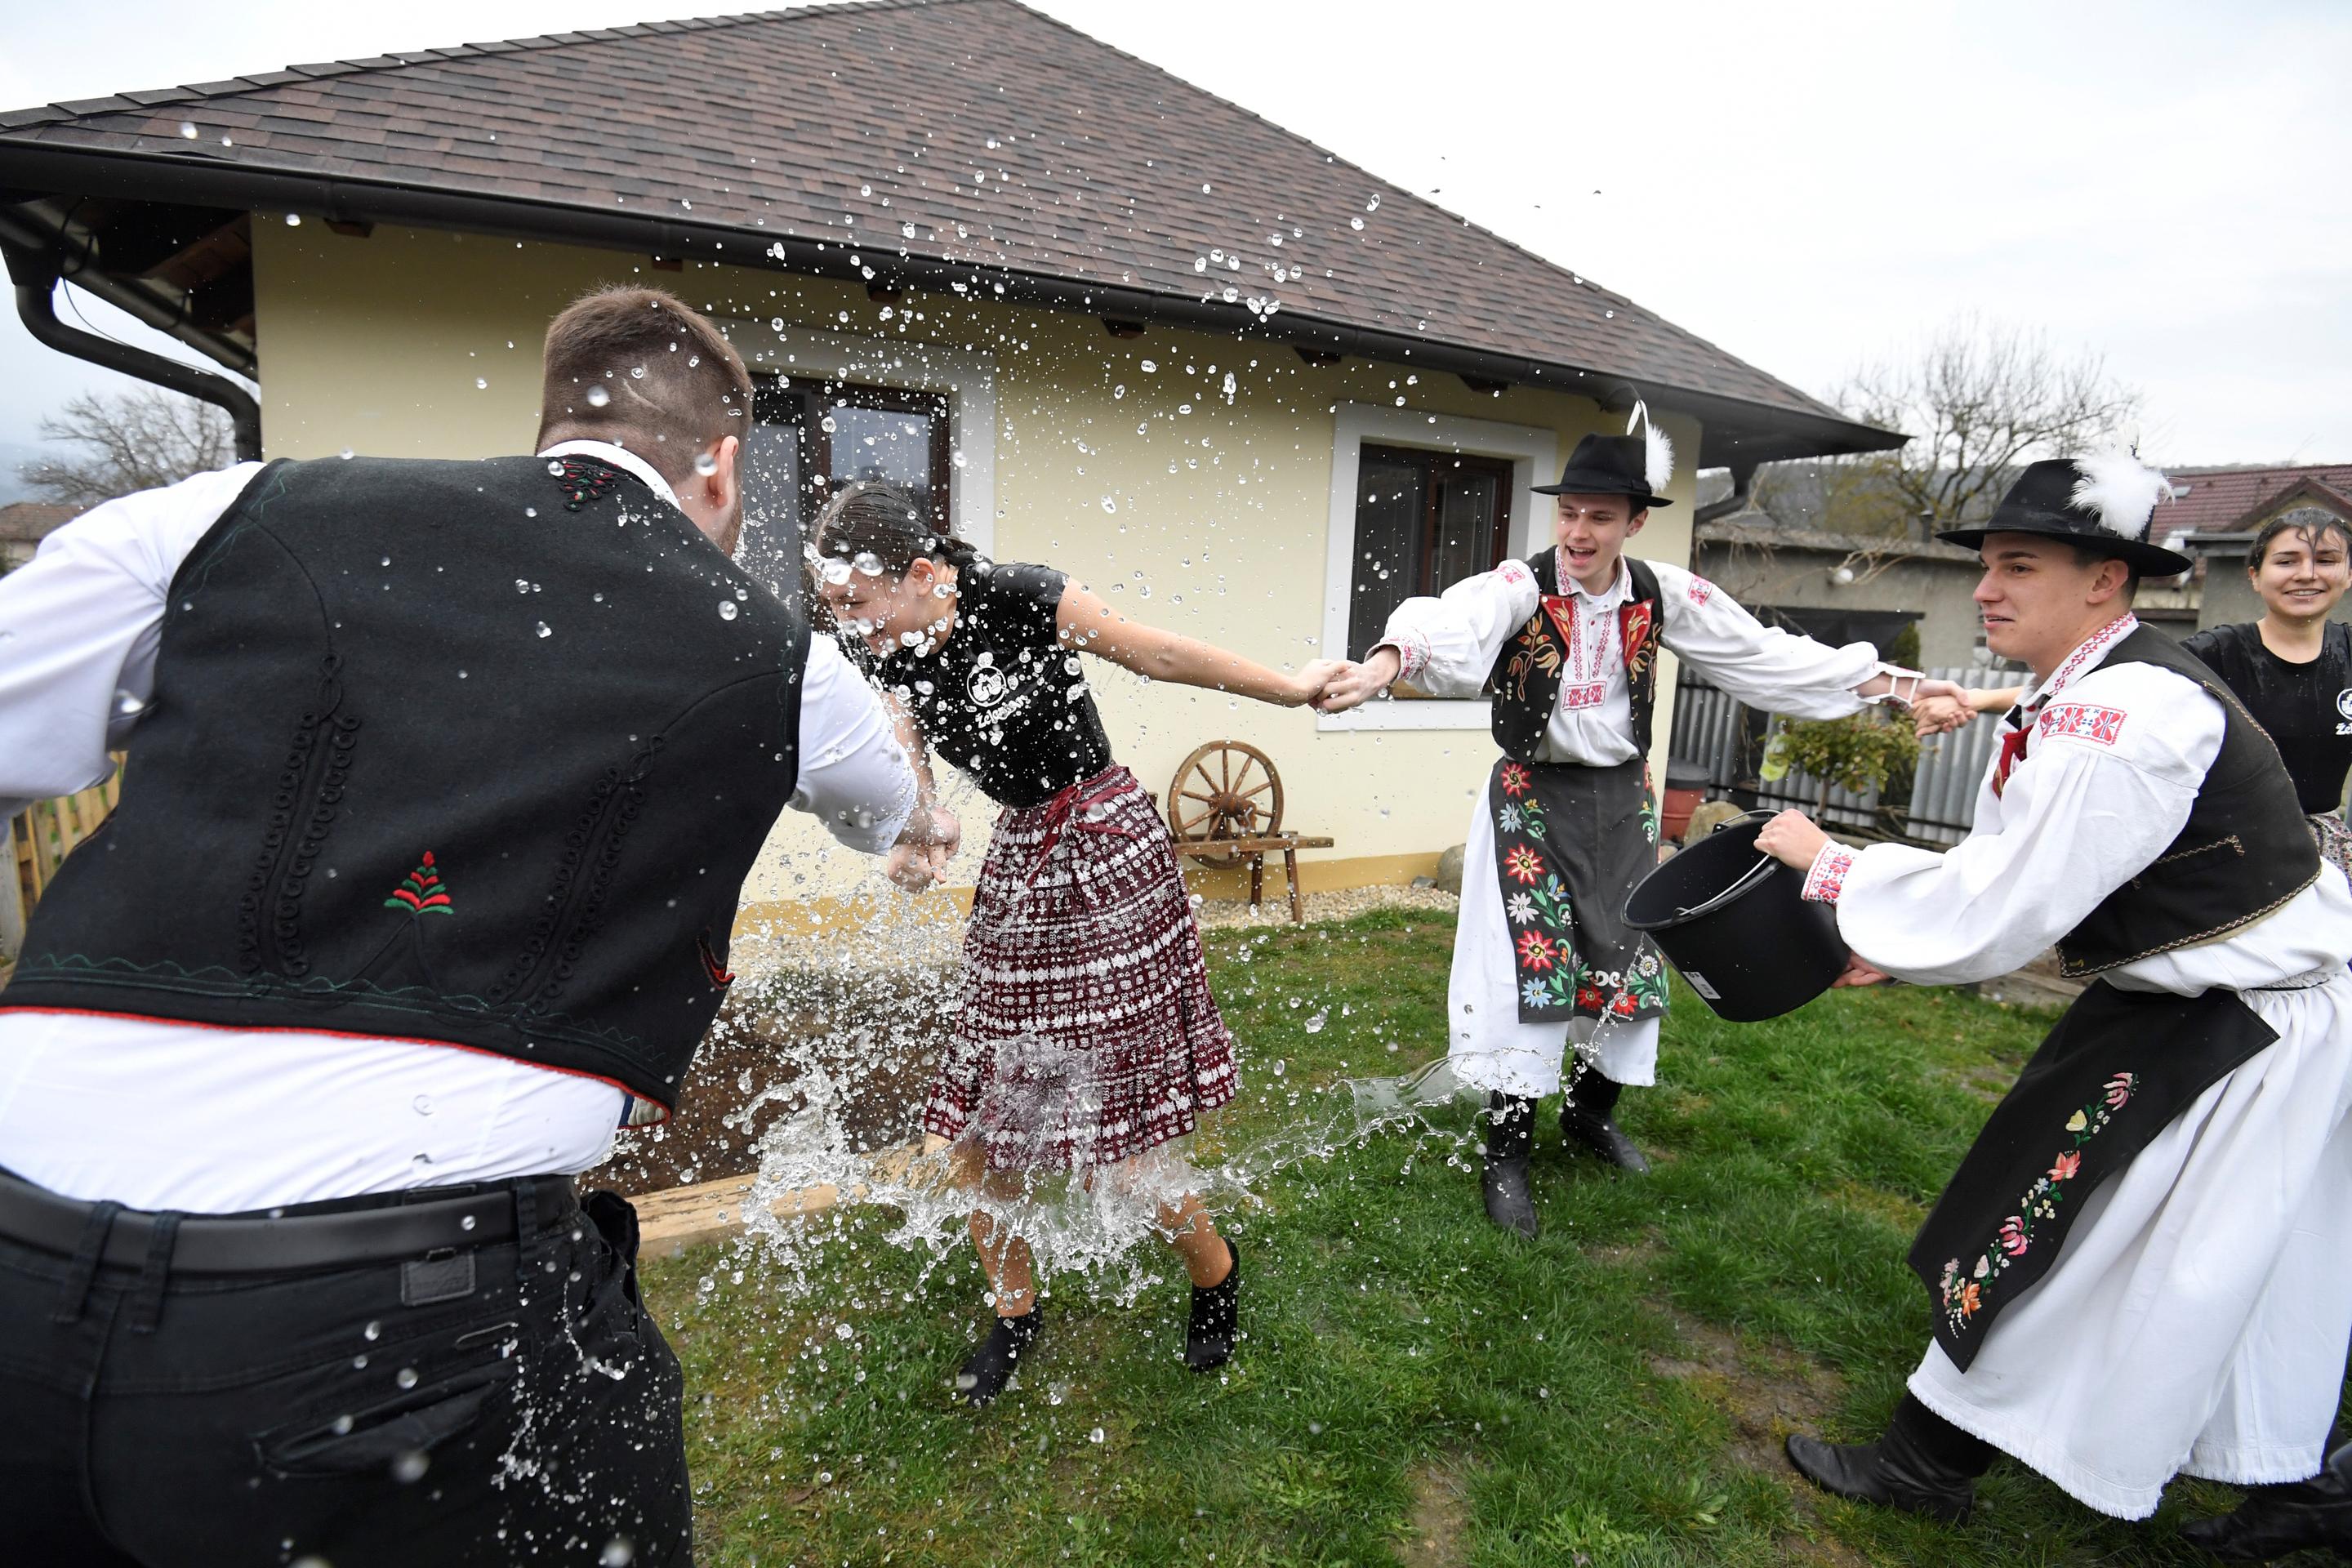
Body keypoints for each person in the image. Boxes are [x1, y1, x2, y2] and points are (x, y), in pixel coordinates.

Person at [0, 285, 951, 1566]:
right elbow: (895, 814)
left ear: (555, 422)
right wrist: (917, 814)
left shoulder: (240, 511)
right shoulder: (778, 654)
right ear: (722, 468)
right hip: (390, 1345)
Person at [1756, 455, 2352, 1538]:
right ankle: (2295, 1486)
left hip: (2244, 1030)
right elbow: (2028, 872)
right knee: (2196, 1259)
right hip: (2218, 1011)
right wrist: (1905, 938)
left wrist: (1832, 867)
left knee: (2076, 1240)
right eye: (1986, 566)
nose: (1988, 589)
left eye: (2018, 566)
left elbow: (1999, 902)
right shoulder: (2097, 687)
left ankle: (1929, 1466)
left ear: (2103, 580)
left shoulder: (2125, 716)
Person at [1316, 409, 1953, 1236]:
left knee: (1630, 969)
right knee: (1530, 977)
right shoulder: (1522, 586)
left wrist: (1901, 690)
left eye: (1600, 517)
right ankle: (1506, 1155)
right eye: (1570, 512)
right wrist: (1383, 666)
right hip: (1531, 800)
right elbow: (1451, 620)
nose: (1579, 532)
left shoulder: (1663, 592)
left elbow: (1764, 655)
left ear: (1635, 522)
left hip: (1621, 805)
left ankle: (1588, 1115)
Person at [805, 479, 1337, 1405]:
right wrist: (918, 838)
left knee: (1119, 1145)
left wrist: (1292, 691)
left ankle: (1215, 1276)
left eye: (857, 602)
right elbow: (913, 778)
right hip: (1022, 863)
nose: (851, 626)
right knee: (981, 1132)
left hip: (1107, 843)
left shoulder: (1018, 594)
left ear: (921, 573)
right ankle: (1015, 1312)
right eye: (834, 611)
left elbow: (1161, 655)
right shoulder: (893, 663)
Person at [1916, 509, 2352, 877]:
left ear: (2348, 574)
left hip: (2328, 852)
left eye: (2327, 560)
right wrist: (1976, 698)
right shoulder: (2216, 654)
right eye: (2287, 561)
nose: (2307, 575)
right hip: (2236, 854)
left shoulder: (2348, 650)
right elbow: (2101, 688)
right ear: (2255, 576)